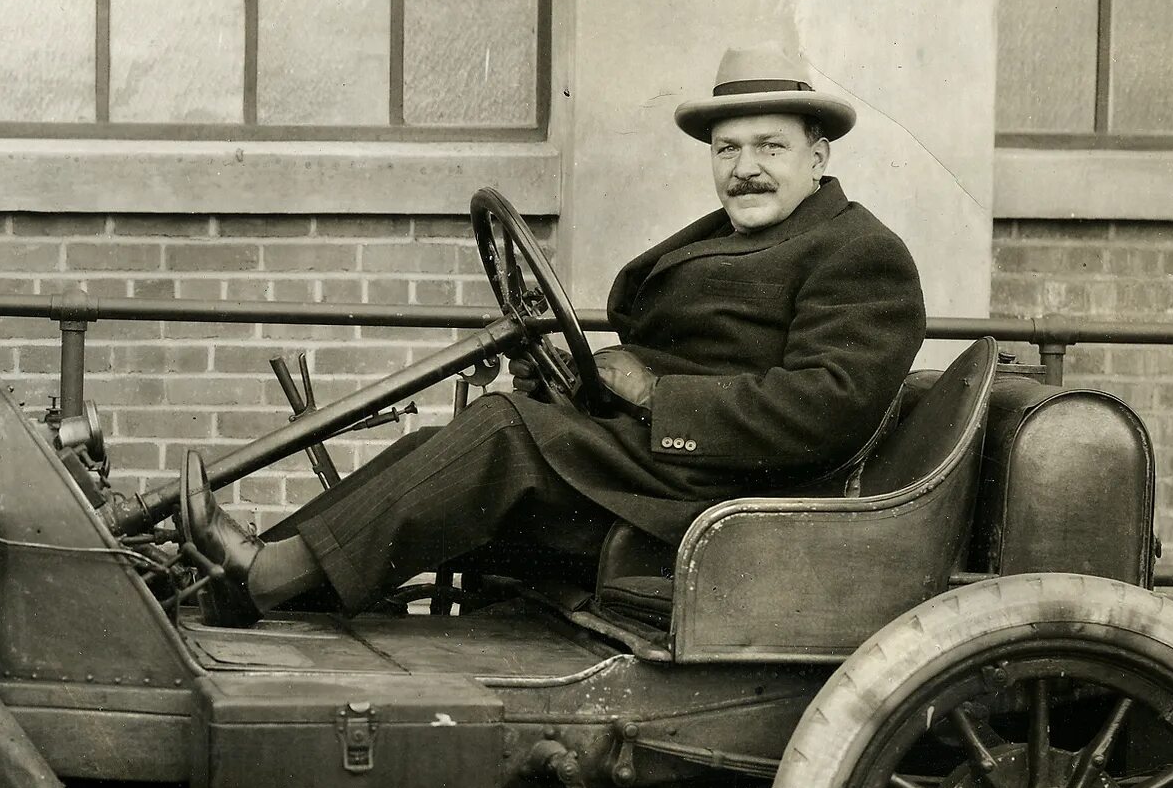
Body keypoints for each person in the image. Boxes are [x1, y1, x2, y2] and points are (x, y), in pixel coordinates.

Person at [177, 44, 929, 619]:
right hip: (651, 463)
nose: (746, 169)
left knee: (501, 436)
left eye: (771, 147)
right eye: (728, 149)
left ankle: (271, 575)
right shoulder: (729, 234)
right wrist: (579, 382)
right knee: (442, 447)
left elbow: (826, 406)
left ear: (818, 154)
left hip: (723, 496)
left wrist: (656, 396)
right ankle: (236, 585)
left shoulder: (858, 252)